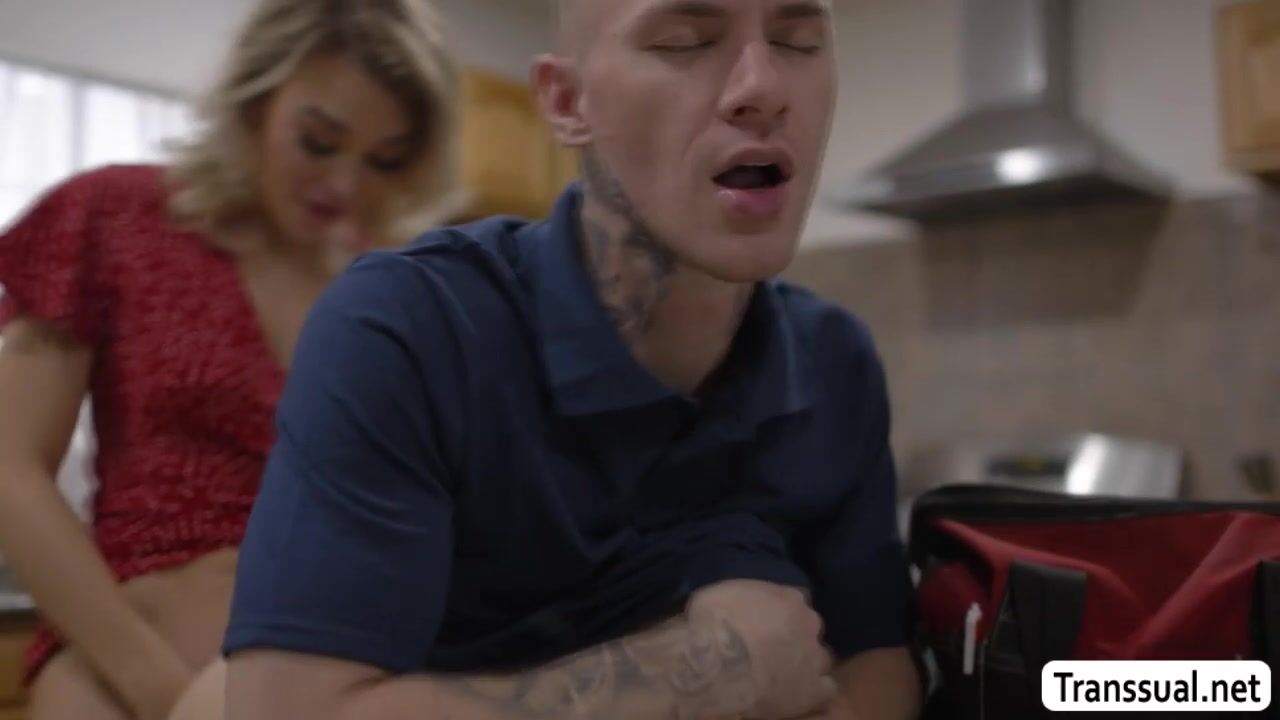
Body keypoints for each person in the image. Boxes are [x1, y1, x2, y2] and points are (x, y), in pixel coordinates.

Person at [224, 0, 923, 718]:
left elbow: (881, 666)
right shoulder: (410, 328)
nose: (763, 85)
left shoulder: (837, 361)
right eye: (685, 42)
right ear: (566, 102)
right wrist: (704, 672)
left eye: (797, 41)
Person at [0, 1, 459, 718]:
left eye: (384, 160)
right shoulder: (117, 215)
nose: (345, 185)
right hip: (126, 669)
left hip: (333, 676)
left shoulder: (390, 294)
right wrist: (168, 695)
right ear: (254, 103)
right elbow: (10, 468)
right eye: (318, 142)